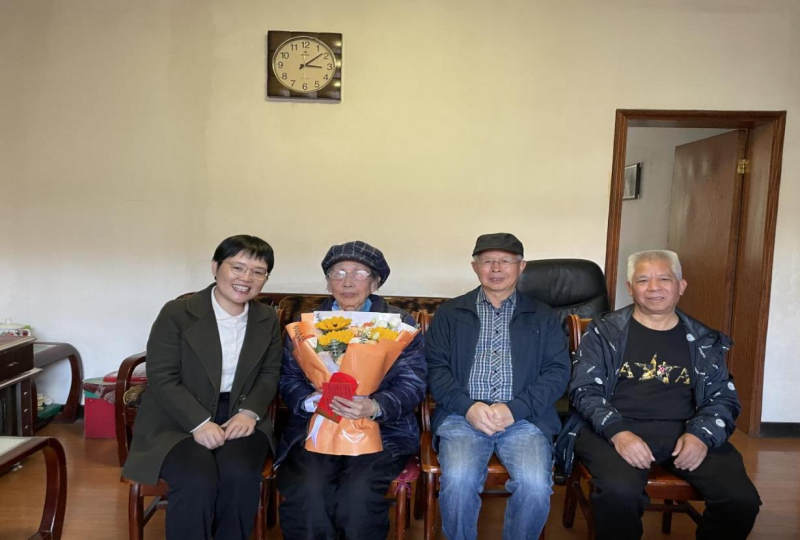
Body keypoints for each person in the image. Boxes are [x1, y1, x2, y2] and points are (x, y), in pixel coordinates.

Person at [556, 249, 761, 540]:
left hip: (686, 429)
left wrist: (700, 435)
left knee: (740, 500)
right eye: (643, 280)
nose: (654, 287)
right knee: (619, 493)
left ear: (681, 286)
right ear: (630, 288)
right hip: (614, 428)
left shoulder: (704, 340)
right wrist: (618, 433)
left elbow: (723, 398)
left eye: (664, 278)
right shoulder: (604, 332)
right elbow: (584, 389)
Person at [122, 235, 282, 540]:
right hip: (176, 416)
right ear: (215, 267)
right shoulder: (177, 313)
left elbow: (270, 372)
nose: (246, 278)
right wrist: (198, 422)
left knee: (239, 473)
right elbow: (162, 375)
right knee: (196, 477)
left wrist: (249, 412)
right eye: (237, 267)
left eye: (258, 271)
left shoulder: (267, 318)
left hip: (239, 414)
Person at [276, 240, 427, 540]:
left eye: (359, 273)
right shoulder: (305, 325)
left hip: (383, 431)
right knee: (308, 489)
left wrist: (375, 405)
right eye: (339, 273)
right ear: (328, 281)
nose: (347, 282)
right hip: (315, 427)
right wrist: (308, 401)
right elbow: (287, 378)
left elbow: (413, 383)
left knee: (356, 495)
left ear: (375, 282)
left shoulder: (399, 324)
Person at [426, 232, 570, 540]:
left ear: (521, 266)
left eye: (505, 261)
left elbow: (557, 372)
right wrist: (468, 407)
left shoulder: (543, 316)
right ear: (474, 267)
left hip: (525, 418)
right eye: (487, 261)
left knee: (534, 486)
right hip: (462, 416)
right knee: (459, 481)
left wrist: (515, 409)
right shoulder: (450, 313)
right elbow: (435, 368)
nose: (496, 268)